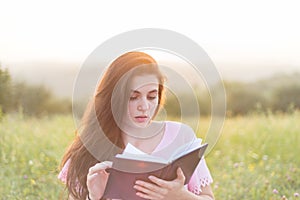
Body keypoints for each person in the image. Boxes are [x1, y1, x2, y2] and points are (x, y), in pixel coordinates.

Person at [58, 51, 214, 200]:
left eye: (152, 96)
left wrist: (180, 196)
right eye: (133, 97)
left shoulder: (181, 135)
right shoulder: (89, 149)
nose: (144, 106)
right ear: (113, 98)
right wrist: (94, 197)